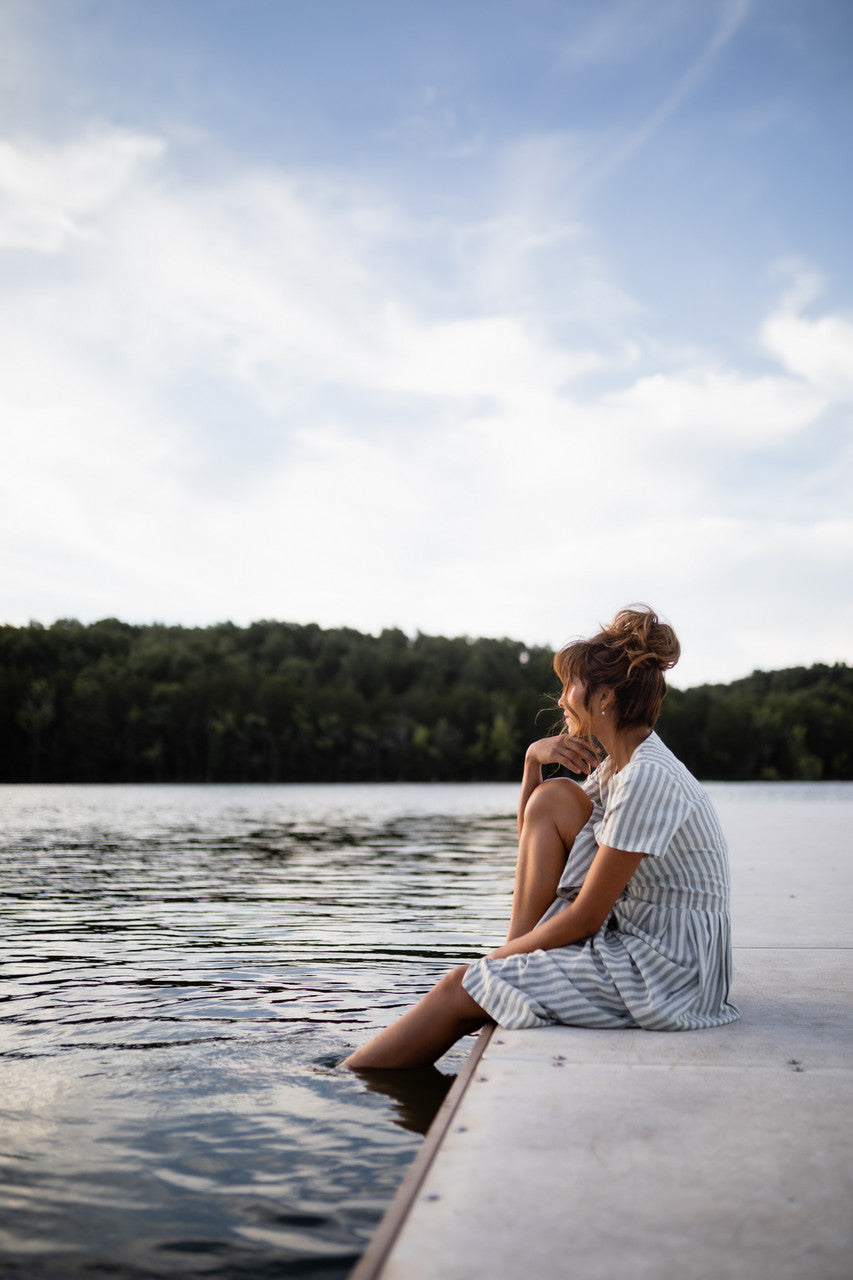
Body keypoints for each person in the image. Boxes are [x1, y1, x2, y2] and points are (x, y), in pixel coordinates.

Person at [343, 605, 739, 1070]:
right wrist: (533, 761)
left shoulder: (645, 776)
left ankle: (349, 1081)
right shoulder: (622, 765)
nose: (561, 701)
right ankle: (498, 975)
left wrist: (493, 960)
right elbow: (537, 836)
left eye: (570, 686)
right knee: (554, 795)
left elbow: (587, 917)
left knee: (457, 986)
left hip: (667, 972)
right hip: (653, 946)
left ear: (605, 696)